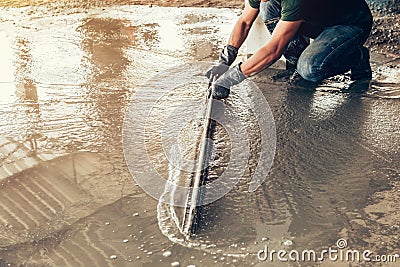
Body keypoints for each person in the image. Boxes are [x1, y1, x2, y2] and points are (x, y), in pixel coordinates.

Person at [206, 0, 373, 99]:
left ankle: (356, 56)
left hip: (350, 24)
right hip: (320, 19)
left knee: (310, 68)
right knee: (268, 6)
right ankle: (296, 59)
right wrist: (225, 60)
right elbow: (244, 22)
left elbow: (274, 50)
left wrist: (230, 78)